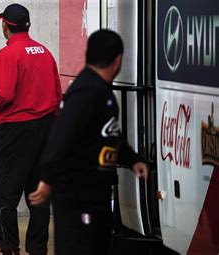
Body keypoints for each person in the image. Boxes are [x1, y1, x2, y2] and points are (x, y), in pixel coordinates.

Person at [29, 29, 149, 255]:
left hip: (95, 194)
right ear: (118, 60)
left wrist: (132, 160)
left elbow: (107, 133)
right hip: (78, 197)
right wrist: (47, 180)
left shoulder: (100, 90)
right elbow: (60, 138)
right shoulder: (86, 92)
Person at [0, 3, 62, 255]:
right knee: (38, 192)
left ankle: (9, 247)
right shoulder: (45, 52)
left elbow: (3, 95)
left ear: (5, 25)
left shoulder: (7, 55)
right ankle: (37, 248)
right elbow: (57, 95)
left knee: (2, 192)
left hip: (15, 131)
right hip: (45, 129)